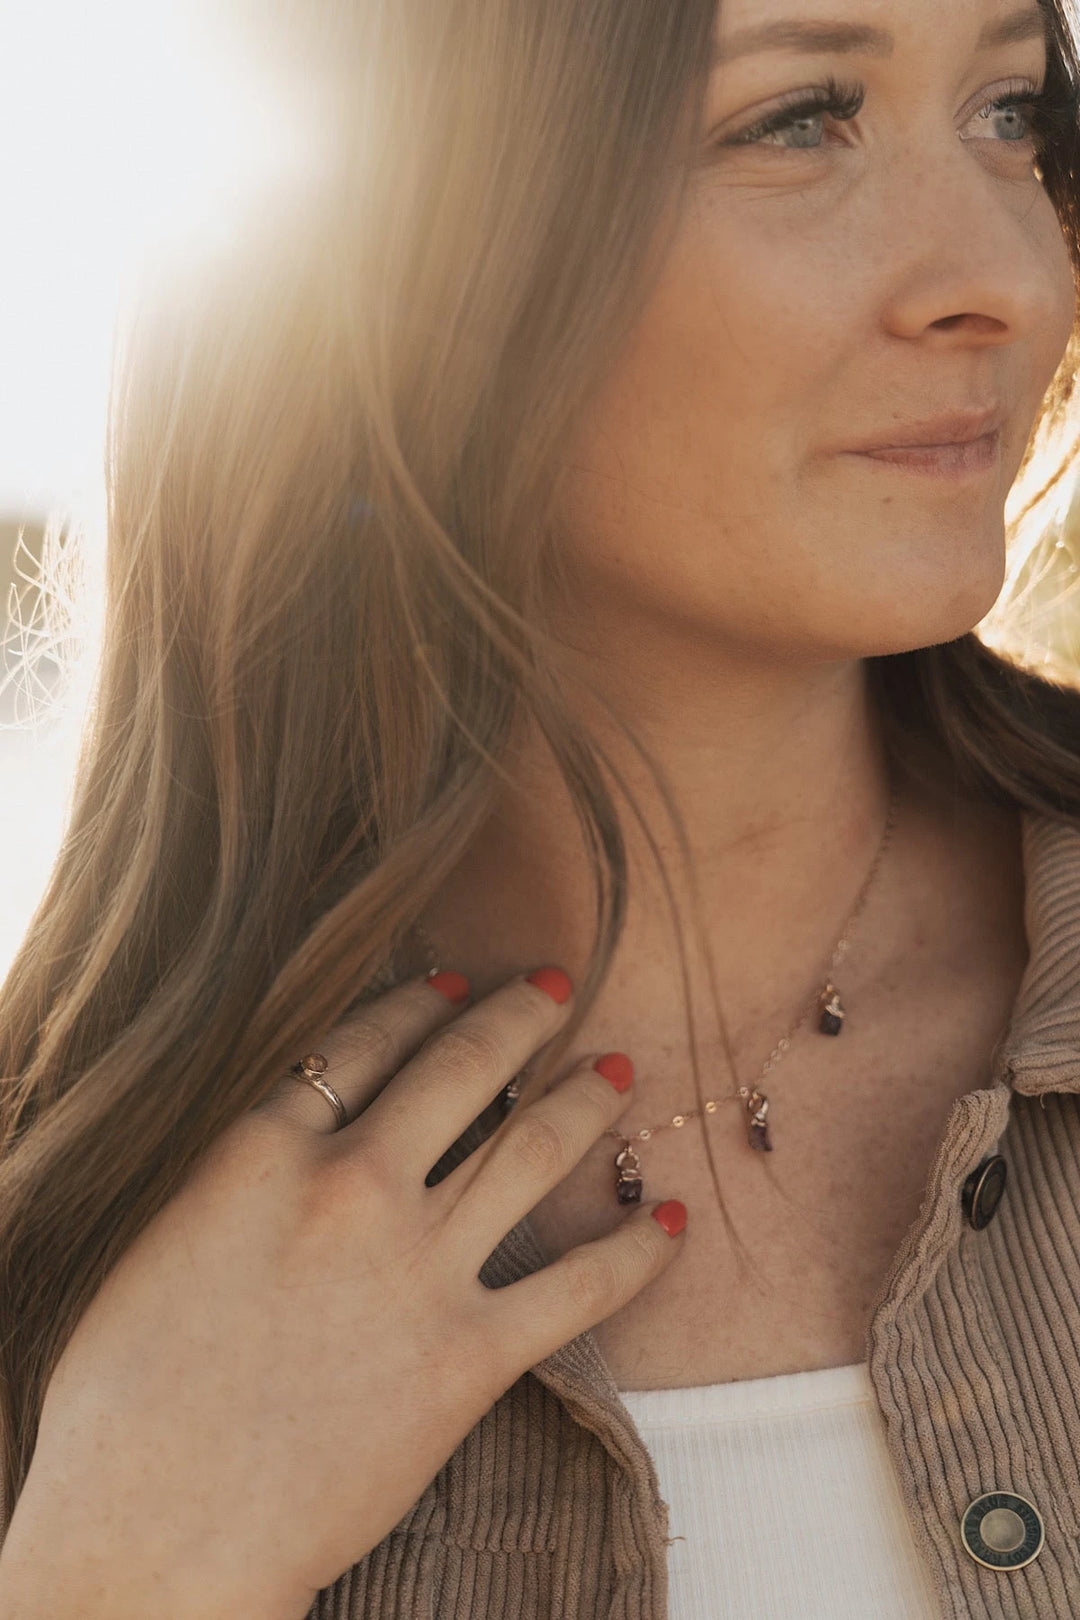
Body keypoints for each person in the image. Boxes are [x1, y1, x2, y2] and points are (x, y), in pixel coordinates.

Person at [2, 0, 1080, 1613]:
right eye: (800, 120)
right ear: (415, 240)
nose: (1008, 276)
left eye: (1010, 114)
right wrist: (125, 1577)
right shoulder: (74, 1245)